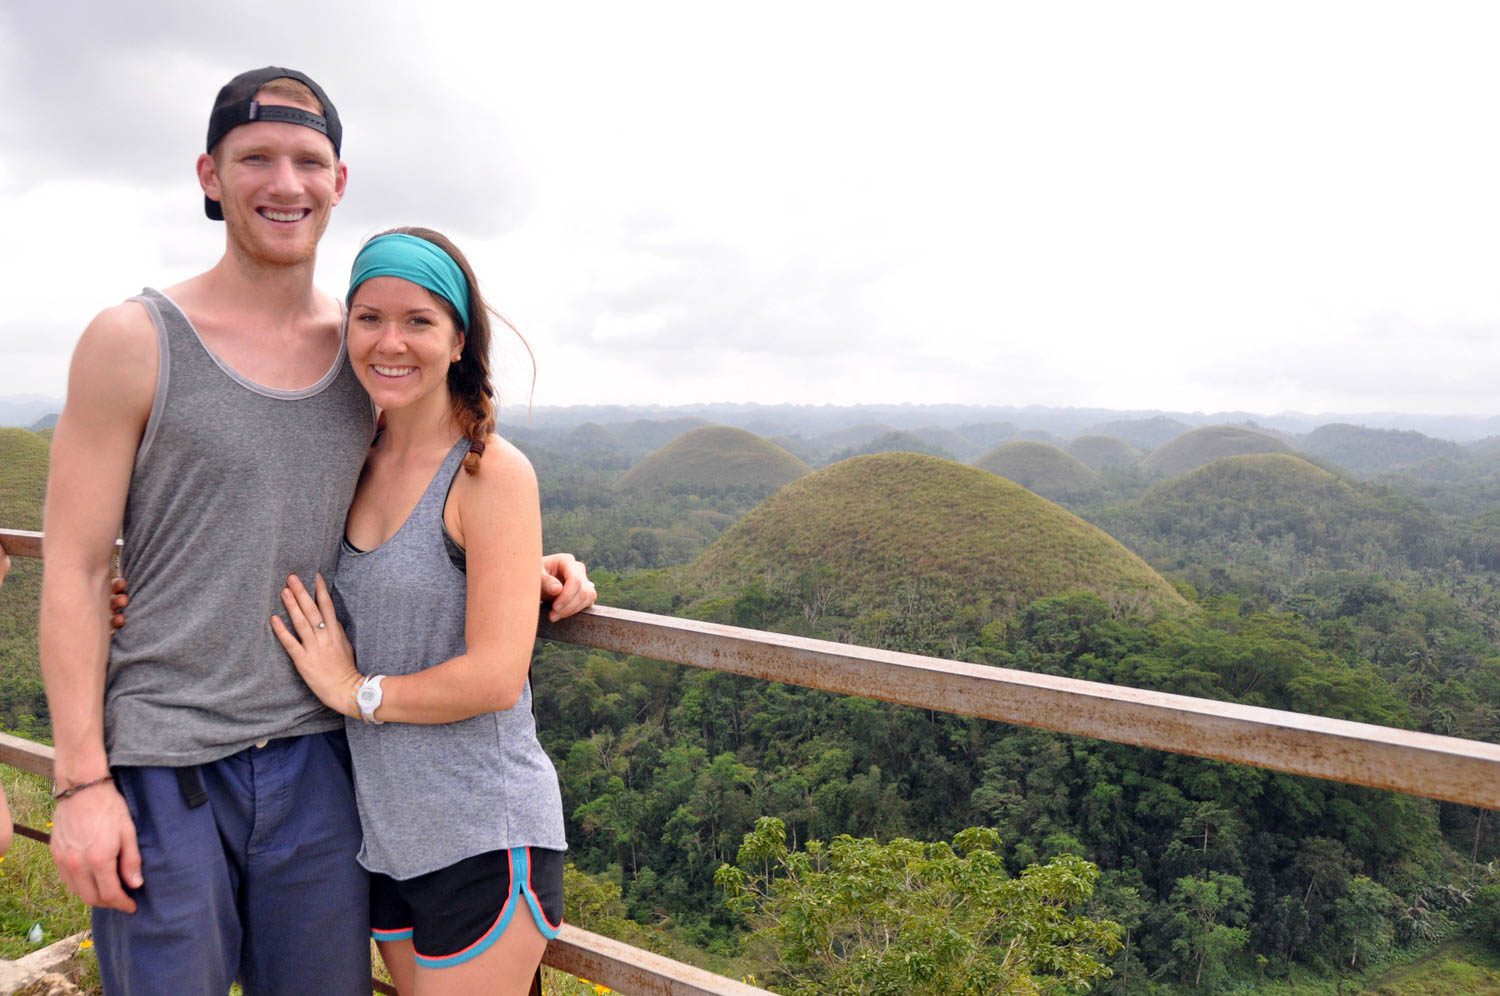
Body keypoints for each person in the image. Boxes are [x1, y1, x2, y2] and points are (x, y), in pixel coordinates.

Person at [39, 67, 594, 993]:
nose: (284, 183)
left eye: (308, 160)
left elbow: (420, 500)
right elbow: (77, 568)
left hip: (320, 767)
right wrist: (80, 783)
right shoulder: (133, 341)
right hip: (167, 762)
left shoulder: (363, 357)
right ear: (210, 175)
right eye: (256, 157)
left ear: (339, 182)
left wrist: (519, 566)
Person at [272, 227, 565, 994]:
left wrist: (354, 691)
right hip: (389, 841)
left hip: (481, 836)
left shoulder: (490, 472)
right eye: (368, 318)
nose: (389, 341)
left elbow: (497, 676)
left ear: (459, 339)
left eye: (419, 321)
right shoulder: (351, 461)